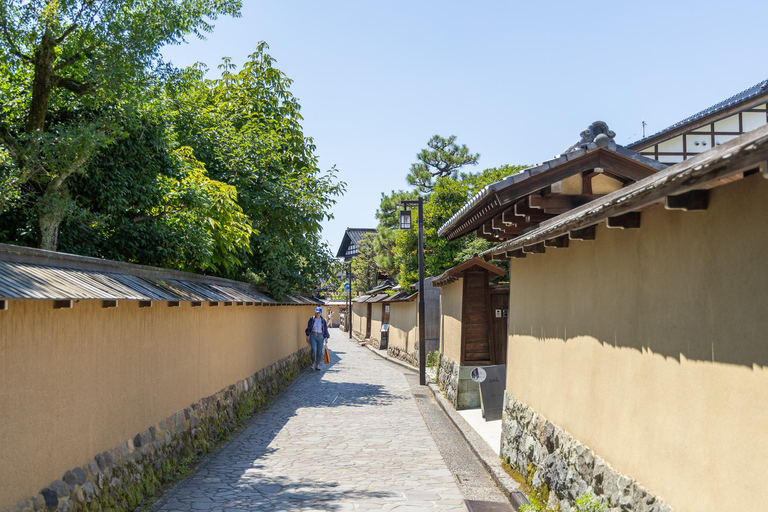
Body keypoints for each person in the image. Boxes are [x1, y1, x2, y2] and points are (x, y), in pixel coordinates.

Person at [305, 306, 330, 371]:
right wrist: (307, 335)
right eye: (316, 313)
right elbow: (309, 327)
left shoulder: (323, 320)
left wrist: (326, 337)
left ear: (321, 313)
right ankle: (313, 362)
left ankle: (318, 364)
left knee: (319, 351)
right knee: (314, 349)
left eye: (318, 313)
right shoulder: (312, 319)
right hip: (313, 335)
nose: (317, 314)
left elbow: (325, 329)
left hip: (320, 336)